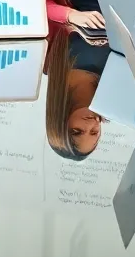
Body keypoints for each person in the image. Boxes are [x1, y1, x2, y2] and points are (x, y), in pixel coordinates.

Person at [43, 29, 109, 160]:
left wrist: (70, 16)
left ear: (59, 121)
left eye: (77, 130)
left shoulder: (50, 62)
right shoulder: (113, 93)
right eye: (94, 132)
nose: (90, 124)